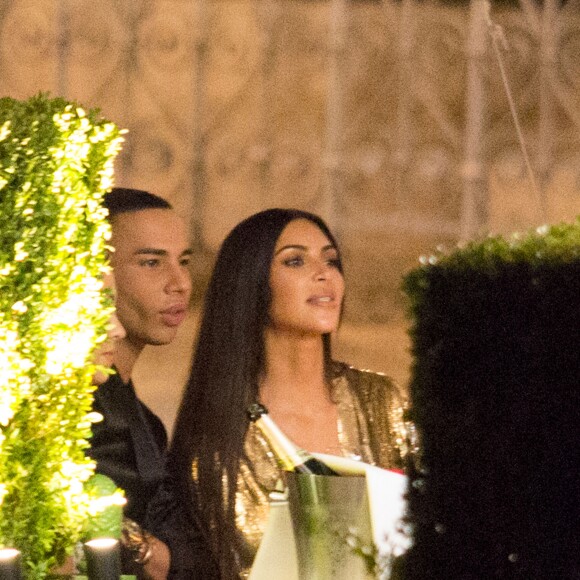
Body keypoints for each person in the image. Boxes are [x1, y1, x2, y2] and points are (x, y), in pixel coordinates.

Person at [153, 208, 414, 579]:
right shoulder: (214, 445)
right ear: (251, 284)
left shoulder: (381, 401)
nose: (324, 274)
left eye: (331, 260)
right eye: (295, 261)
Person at [88, 187, 193, 576]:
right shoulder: (69, 409)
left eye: (183, 261)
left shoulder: (145, 420)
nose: (179, 282)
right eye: (151, 263)